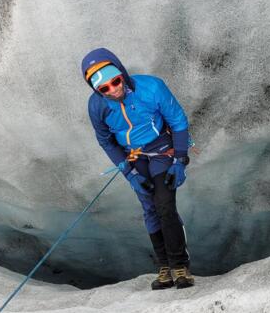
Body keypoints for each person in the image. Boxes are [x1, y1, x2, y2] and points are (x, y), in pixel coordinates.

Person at [81, 47, 195, 289]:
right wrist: (129, 173)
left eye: (115, 81)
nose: (113, 90)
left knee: (164, 204)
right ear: (96, 90)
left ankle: (180, 266)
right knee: (149, 208)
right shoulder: (96, 106)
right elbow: (105, 141)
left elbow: (178, 120)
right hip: (134, 157)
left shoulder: (152, 87)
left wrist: (180, 160)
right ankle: (164, 267)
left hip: (163, 149)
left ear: (121, 72)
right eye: (104, 89)